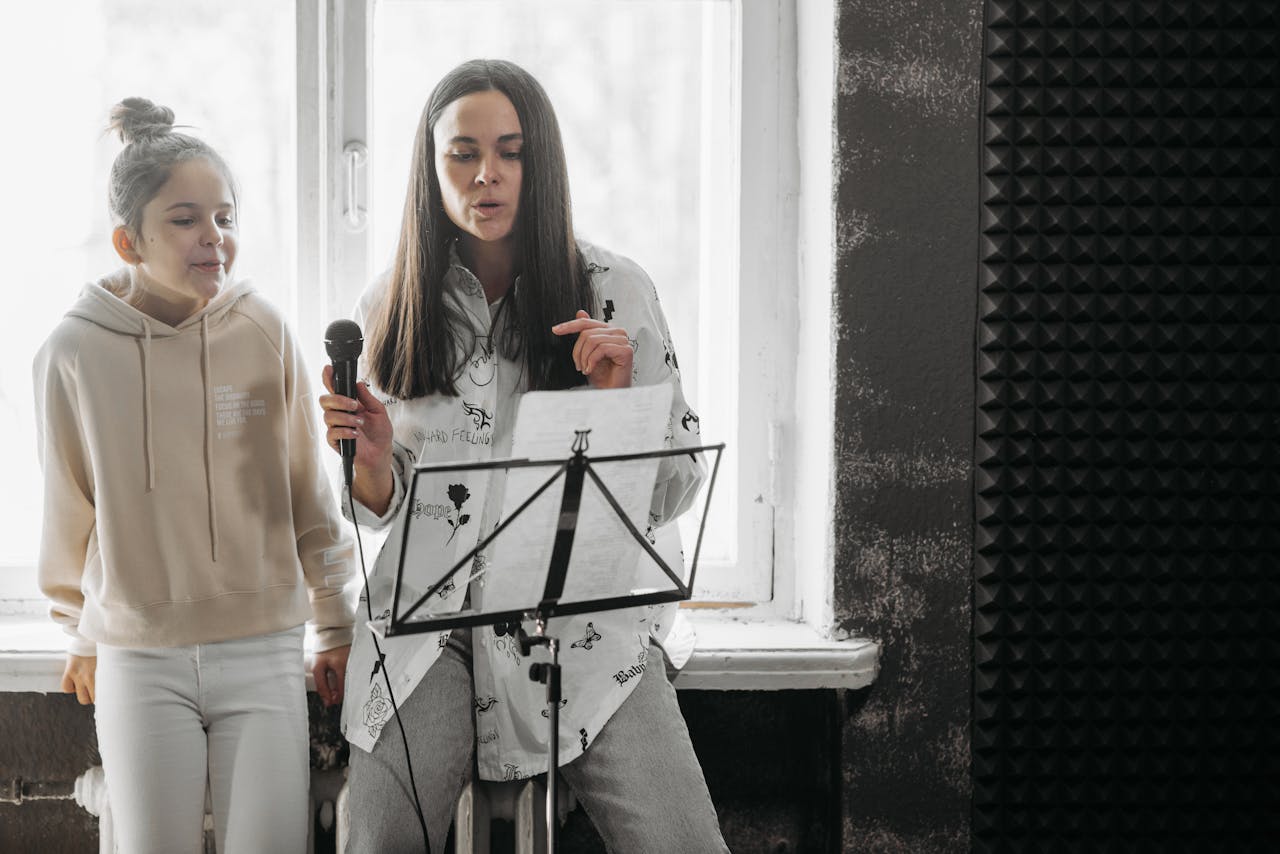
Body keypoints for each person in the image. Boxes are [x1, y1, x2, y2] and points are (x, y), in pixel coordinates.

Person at [320, 59, 728, 853]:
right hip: (425, 631)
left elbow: (675, 487)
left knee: (685, 841)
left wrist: (618, 405)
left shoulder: (616, 289)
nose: (488, 175)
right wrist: (370, 463)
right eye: (463, 154)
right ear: (429, 169)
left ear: (540, 162)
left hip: (586, 623)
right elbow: (387, 505)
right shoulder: (391, 303)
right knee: (375, 837)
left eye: (510, 151)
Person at [33, 97, 355, 854]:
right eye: (185, 219)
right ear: (128, 240)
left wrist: (334, 616)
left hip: (263, 644)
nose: (214, 237)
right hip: (139, 657)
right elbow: (67, 508)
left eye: (226, 217)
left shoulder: (264, 331)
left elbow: (309, 489)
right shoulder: (73, 354)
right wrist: (78, 632)